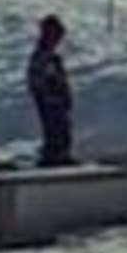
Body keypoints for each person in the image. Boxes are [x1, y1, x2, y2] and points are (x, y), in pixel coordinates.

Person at [28, 14, 75, 167]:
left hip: (56, 102)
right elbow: (41, 81)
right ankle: (54, 157)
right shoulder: (43, 57)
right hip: (50, 102)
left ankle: (60, 155)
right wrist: (51, 95)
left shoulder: (51, 57)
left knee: (62, 130)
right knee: (55, 131)